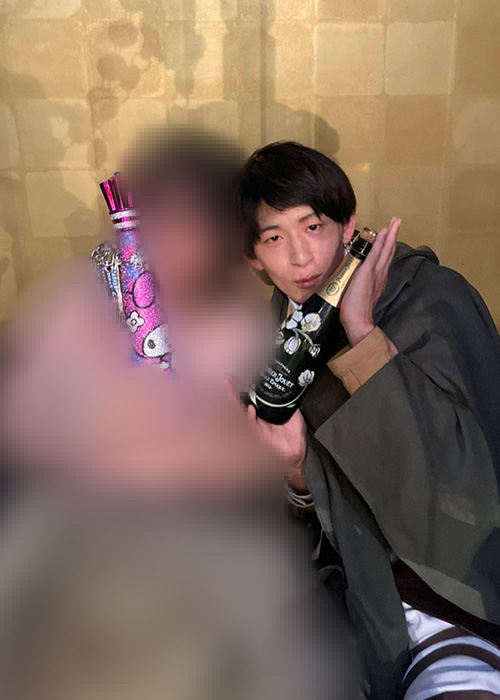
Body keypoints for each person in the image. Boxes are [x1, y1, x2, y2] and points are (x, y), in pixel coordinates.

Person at [238, 141, 500, 700]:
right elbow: (317, 513)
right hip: (361, 603)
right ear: (254, 258)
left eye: (314, 226)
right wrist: (295, 471)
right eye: (274, 238)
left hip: (455, 599)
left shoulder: (433, 300)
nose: (301, 257)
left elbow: (465, 486)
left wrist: (363, 333)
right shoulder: (284, 336)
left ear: (349, 224)